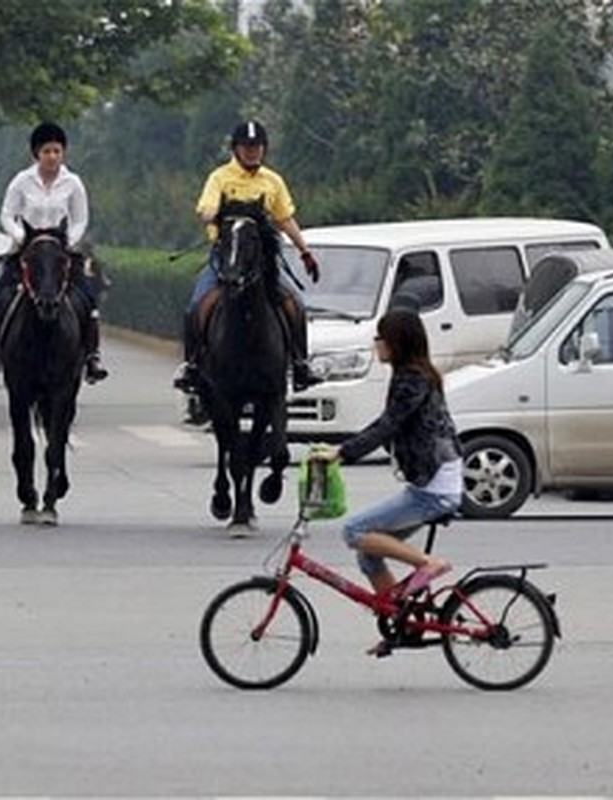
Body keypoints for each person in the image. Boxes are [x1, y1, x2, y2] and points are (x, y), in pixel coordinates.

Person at [311, 309, 462, 652]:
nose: (375, 342)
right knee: (368, 555)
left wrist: (343, 453)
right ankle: (402, 625)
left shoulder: (414, 380)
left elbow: (387, 427)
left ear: (397, 342)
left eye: (381, 337)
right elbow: (385, 422)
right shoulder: (412, 375)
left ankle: (428, 565)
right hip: (433, 482)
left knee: (354, 532)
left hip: (435, 489)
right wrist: (341, 448)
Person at [172, 120, 323, 394]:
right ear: (236, 149)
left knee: (295, 304)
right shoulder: (219, 178)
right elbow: (205, 210)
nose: (253, 152)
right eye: (247, 147)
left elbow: (285, 219)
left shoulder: (273, 181)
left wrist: (305, 251)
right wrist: (213, 213)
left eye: (257, 147)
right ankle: (191, 365)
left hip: (262, 261)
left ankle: (301, 364)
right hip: (226, 257)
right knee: (196, 306)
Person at [0, 121, 108, 385]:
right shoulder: (22, 181)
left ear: (63, 153)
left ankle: (92, 358)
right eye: (47, 151)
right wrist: (20, 237)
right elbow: (7, 214)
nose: (52, 157)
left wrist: (69, 241)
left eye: (57, 151)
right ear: (36, 154)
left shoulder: (73, 183)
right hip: (27, 250)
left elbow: (80, 219)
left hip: (61, 252)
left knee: (88, 302)